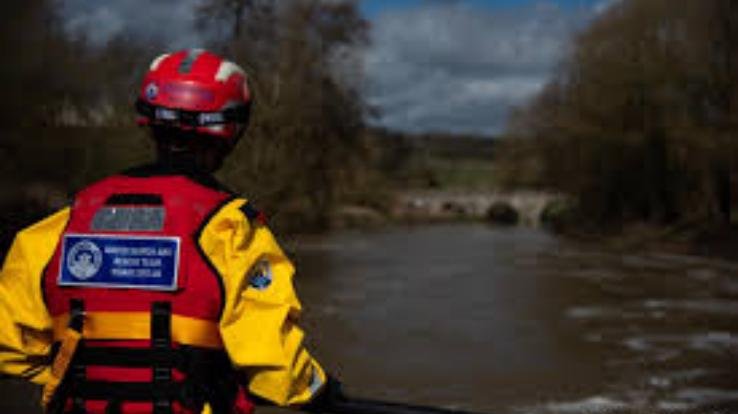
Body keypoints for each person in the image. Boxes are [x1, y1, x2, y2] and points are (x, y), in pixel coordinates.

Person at [0, 49, 341, 414]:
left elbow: (13, 349)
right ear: (232, 132)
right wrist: (320, 391)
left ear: (148, 121)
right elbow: (275, 366)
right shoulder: (231, 228)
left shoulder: (65, 222)